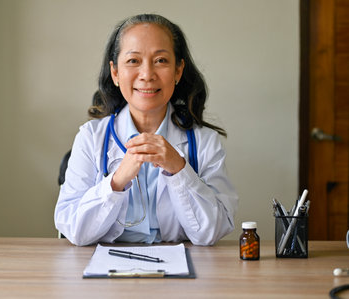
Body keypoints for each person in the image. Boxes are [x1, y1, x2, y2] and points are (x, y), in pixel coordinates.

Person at [54, 14, 238, 246]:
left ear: (178, 71)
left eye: (161, 60)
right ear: (115, 73)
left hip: (184, 271)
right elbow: (73, 230)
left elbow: (212, 232)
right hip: (106, 273)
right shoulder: (90, 138)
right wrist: (117, 181)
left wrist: (179, 170)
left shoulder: (205, 141)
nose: (147, 74)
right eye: (133, 61)